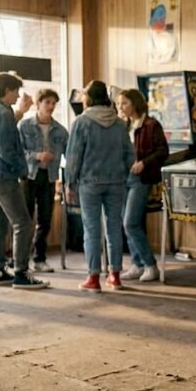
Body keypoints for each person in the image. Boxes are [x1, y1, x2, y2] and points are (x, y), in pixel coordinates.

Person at [0, 73, 48, 290]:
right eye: (16, 91)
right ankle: (21, 273)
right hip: (4, 175)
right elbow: (6, 150)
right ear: (7, 90)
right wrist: (21, 169)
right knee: (22, 223)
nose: (18, 96)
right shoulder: (3, 114)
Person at [66, 80, 134, 293]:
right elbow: (129, 154)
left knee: (92, 230)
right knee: (114, 228)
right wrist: (124, 176)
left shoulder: (81, 122)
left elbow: (73, 156)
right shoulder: (120, 123)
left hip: (90, 183)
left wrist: (70, 183)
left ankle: (93, 278)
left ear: (88, 97)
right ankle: (115, 276)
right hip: (116, 182)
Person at [116, 89, 169, 283]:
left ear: (135, 103)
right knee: (127, 223)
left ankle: (150, 265)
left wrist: (144, 163)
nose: (120, 107)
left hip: (142, 178)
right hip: (124, 178)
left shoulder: (151, 125)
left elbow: (163, 151)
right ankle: (137, 264)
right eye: (118, 104)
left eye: (124, 103)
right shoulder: (124, 126)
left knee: (130, 223)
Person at [18, 89, 69, 273]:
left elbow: (70, 155)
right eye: (47, 102)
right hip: (29, 176)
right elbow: (18, 152)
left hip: (49, 177)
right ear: (38, 103)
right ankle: (20, 260)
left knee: (45, 220)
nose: (51, 106)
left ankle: (39, 259)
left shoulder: (61, 130)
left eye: (54, 103)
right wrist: (37, 155)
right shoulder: (24, 126)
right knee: (25, 219)